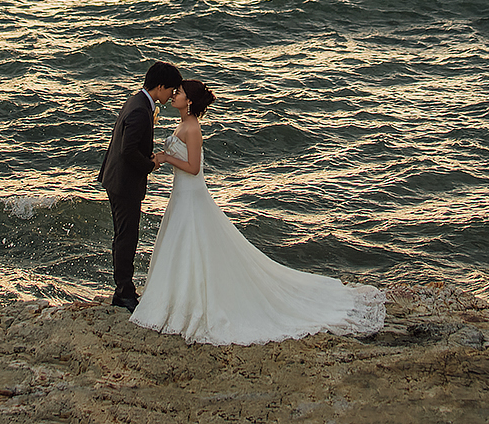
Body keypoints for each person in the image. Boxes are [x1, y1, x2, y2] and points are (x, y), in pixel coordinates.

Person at [131, 79, 386, 345]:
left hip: (192, 194)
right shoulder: (183, 123)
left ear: (190, 101)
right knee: (183, 246)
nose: (174, 95)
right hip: (181, 194)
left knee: (192, 244)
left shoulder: (192, 127)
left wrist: (165, 157)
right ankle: (180, 298)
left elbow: (194, 167)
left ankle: (192, 301)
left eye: (179, 93)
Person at [98, 60, 184, 311]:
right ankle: (124, 292)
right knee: (127, 237)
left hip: (116, 178)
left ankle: (122, 288)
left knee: (123, 235)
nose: (171, 96)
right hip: (124, 182)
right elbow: (128, 151)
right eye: (171, 90)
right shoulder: (139, 110)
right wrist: (151, 164)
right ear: (160, 86)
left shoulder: (137, 101)